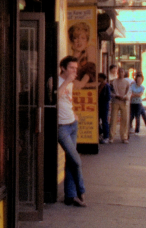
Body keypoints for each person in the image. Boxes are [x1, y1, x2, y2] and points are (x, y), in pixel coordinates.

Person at [57, 56, 87, 206]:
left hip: (72, 123)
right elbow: (55, 98)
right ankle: (81, 190)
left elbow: (67, 100)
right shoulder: (57, 81)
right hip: (61, 126)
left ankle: (70, 195)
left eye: (76, 69)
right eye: (71, 68)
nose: (74, 71)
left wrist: (74, 114)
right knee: (76, 159)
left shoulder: (71, 83)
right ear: (63, 68)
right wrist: (68, 81)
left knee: (70, 160)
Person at [68, 22, 96, 89]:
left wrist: (82, 83)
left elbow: (90, 69)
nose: (79, 41)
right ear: (71, 41)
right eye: (76, 38)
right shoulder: (70, 59)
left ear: (87, 41)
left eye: (83, 38)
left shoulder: (90, 50)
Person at [110, 68, 131, 144]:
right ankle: (111, 136)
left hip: (124, 102)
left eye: (122, 72)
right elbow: (111, 92)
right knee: (113, 119)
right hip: (115, 101)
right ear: (117, 73)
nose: (121, 73)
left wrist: (126, 97)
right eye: (119, 72)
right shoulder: (113, 82)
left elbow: (129, 92)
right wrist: (116, 95)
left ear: (124, 73)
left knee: (125, 120)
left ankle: (124, 137)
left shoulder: (127, 82)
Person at [98, 73, 112, 144]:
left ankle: (106, 136)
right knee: (98, 121)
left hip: (104, 105)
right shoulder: (100, 85)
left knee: (104, 121)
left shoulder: (106, 86)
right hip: (100, 105)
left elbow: (108, 97)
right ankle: (101, 132)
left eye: (99, 77)